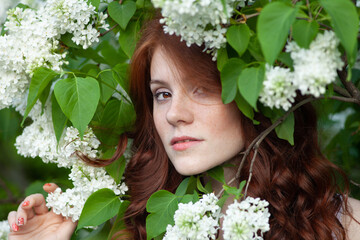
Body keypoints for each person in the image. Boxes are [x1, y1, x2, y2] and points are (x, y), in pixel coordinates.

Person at [7, 18, 360, 240]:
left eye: (201, 88)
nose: (174, 113)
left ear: (261, 95)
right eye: (161, 94)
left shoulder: (346, 226)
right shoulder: (143, 230)